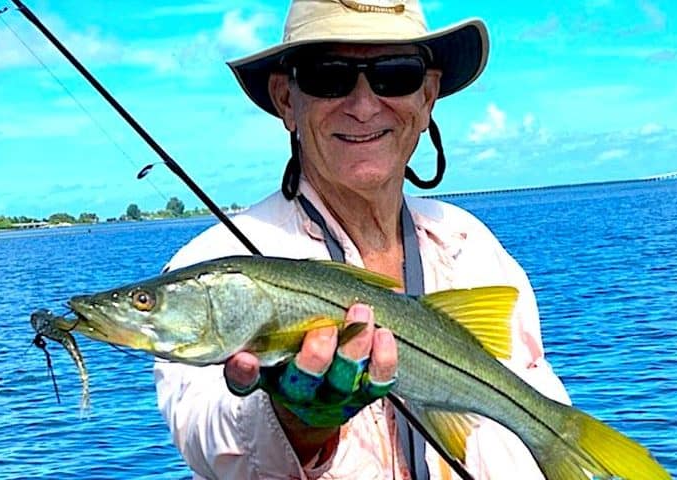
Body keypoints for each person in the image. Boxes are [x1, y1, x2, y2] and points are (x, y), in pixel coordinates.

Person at [154, 0, 571, 478]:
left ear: (428, 96)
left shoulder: (470, 243)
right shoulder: (212, 264)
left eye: (395, 74)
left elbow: (538, 388)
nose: (363, 104)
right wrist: (293, 423)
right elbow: (207, 435)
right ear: (287, 100)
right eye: (327, 75)